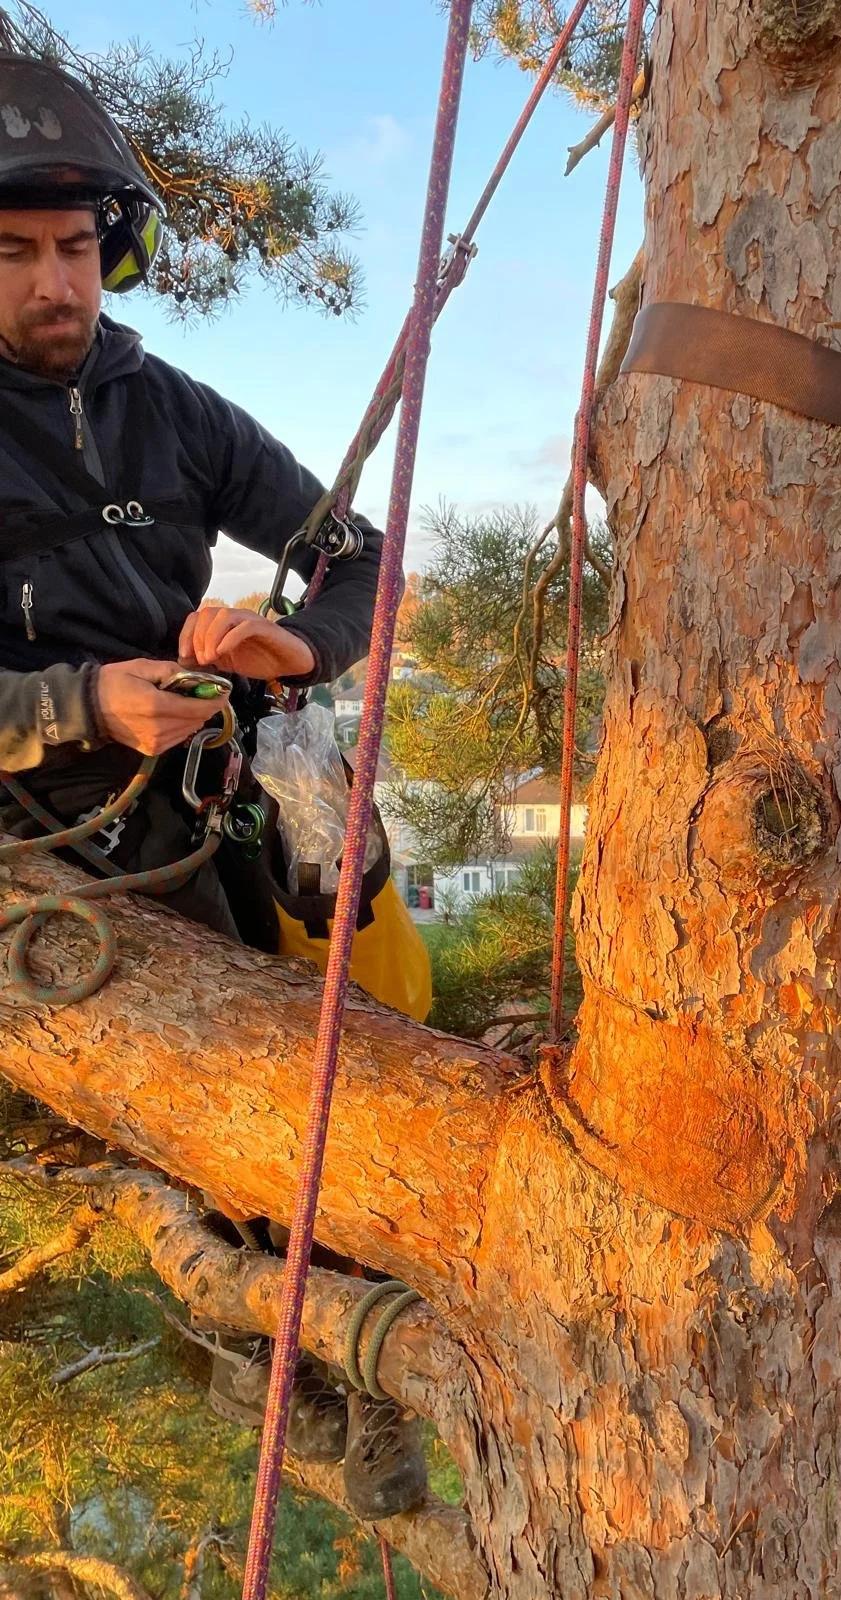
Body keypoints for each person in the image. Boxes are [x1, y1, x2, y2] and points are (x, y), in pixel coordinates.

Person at [0, 50, 424, 1520]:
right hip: (36, 842)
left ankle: (346, 1353)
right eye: (13, 254)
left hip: (196, 803)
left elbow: (356, 557)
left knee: (328, 1048)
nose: (54, 284)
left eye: (74, 249)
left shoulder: (167, 407)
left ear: (111, 249)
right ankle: (265, 1347)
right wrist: (79, 703)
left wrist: (292, 641)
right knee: (215, 1109)